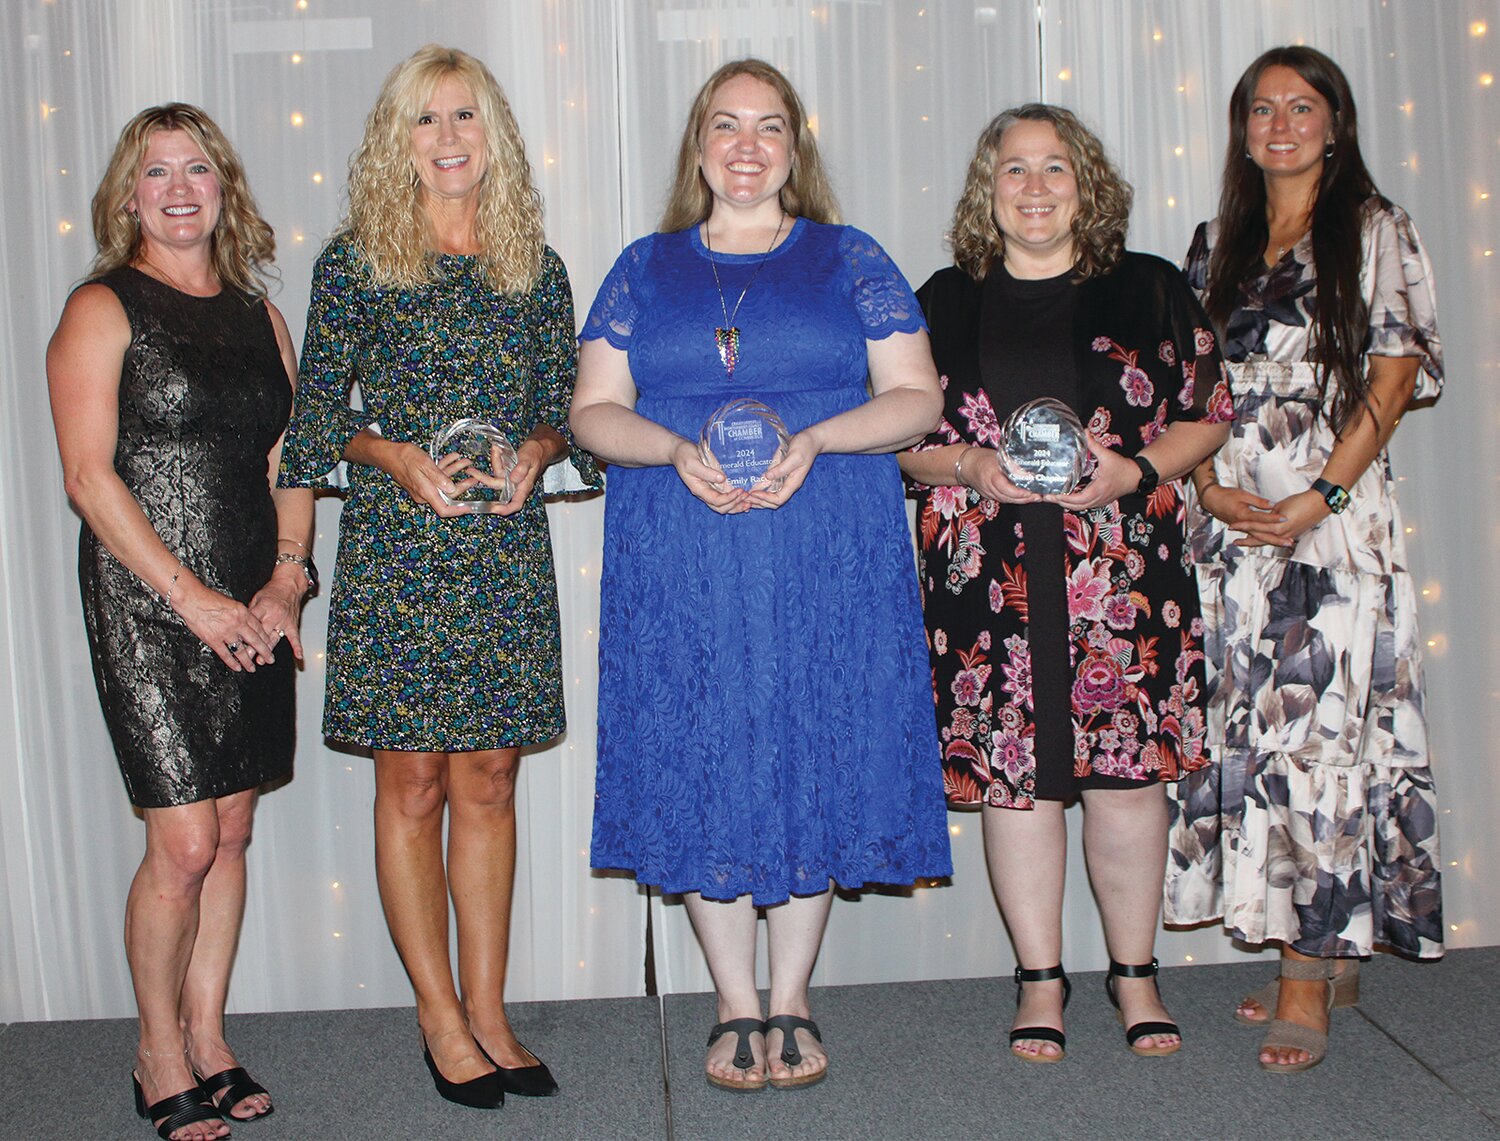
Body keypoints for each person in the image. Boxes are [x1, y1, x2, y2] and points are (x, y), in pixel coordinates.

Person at [571, 58, 952, 1092]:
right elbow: (592, 409)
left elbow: (917, 398)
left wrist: (819, 439)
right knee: (705, 743)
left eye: (769, 127)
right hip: (682, 541)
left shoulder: (849, 257)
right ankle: (735, 1004)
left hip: (825, 536)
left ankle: (793, 996)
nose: (747, 146)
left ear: (795, 148)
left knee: (812, 736)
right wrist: (673, 449)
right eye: (726, 126)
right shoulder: (644, 267)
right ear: (699, 148)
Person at [277, 45, 598, 1108]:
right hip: (401, 550)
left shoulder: (535, 266)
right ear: (396, 140)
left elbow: (568, 412)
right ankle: (438, 1013)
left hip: (503, 551)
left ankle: (491, 1008)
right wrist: (394, 456)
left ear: (493, 133)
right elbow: (318, 421)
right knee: (412, 783)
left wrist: (543, 454)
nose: (448, 138)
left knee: (492, 781)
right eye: (426, 119)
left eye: (465, 116)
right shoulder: (357, 262)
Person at [900, 104, 1233, 1064]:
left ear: (1087, 184)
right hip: (987, 580)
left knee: (1128, 782)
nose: (1035, 187)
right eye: (1014, 169)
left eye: (1056, 169)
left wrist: (1133, 471)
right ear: (986, 188)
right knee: (1017, 789)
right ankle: (1039, 980)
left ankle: (1135, 973)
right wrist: (968, 467)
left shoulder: (1150, 287)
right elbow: (902, 441)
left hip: (1122, 570)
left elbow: (1207, 412)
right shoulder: (941, 300)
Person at [1164, 46, 1444, 1073]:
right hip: (1232, 534)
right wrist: (1203, 487)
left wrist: (1319, 493)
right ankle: (1319, 945)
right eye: (1262, 110)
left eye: (1302, 106)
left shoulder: (1376, 231)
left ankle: (1302, 977)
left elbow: (1398, 366)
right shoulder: (1215, 245)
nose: (1281, 124)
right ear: (1242, 129)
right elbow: (1188, 387)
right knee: (1257, 744)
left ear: (1336, 121)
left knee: (1318, 746)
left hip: (1326, 530)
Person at [47, 103, 312, 1140]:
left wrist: (286, 580)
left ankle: (209, 1035)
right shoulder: (103, 307)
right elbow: (87, 475)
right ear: (129, 195)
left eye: (195, 167)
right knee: (187, 841)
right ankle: (155, 1047)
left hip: (251, 595)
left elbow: (292, 458)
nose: (177, 187)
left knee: (236, 826)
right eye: (155, 172)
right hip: (148, 599)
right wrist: (190, 597)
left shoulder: (262, 317)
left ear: (224, 185)